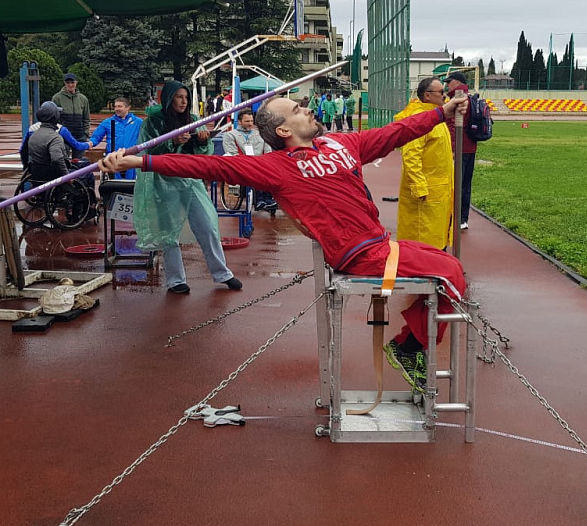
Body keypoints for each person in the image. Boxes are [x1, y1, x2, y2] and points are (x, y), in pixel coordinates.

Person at [99, 92, 469, 393]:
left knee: (448, 264)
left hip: (381, 244)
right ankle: (409, 348)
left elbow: (396, 132)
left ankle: (409, 343)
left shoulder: (342, 144)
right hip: (358, 255)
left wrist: (442, 113)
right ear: (283, 130)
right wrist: (138, 160)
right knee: (451, 271)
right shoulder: (276, 166)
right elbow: (209, 167)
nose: (307, 110)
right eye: (296, 110)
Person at [134, 80, 241, 295]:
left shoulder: (192, 120)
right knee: (168, 233)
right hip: (164, 184)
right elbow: (148, 153)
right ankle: (175, 280)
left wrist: (201, 141)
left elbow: (205, 153)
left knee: (207, 224)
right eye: (179, 97)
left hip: (190, 181)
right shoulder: (153, 122)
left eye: (186, 98)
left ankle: (222, 273)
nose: (183, 102)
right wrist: (173, 142)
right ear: (169, 98)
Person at [394, 77, 454, 250]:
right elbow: (411, 155)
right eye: (441, 92)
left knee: (435, 235)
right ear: (427, 95)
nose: (445, 95)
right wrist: (419, 186)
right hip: (426, 192)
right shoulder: (420, 118)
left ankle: (436, 265)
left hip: (438, 189)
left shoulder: (437, 116)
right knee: (422, 237)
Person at [221, 108, 277, 212]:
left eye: (252, 121)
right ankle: (259, 200)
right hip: (242, 164)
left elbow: (268, 150)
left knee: (270, 171)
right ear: (239, 122)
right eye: (247, 121)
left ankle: (268, 199)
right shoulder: (230, 135)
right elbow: (232, 153)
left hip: (260, 163)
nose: (250, 124)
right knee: (256, 172)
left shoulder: (260, 134)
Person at [444, 73, 477, 230]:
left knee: (455, 183)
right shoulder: (470, 97)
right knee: (465, 184)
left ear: (457, 83)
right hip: (471, 146)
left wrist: (451, 148)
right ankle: (463, 218)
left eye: (449, 82)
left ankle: (455, 217)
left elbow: (453, 127)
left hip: (459, 148)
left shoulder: (457, 99)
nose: (447, 85)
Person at [89, 97, 143, 180]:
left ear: (128, 108)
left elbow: (148, 136)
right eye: (115, 106)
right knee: (115, 182)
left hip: (131, 158)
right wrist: (91, 143)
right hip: (113, 158)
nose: (117, 109)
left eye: (120, 106)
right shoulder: (108, 122)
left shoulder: (138, 122)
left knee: (131, 183)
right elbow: (96, 136)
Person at [51, 72, 91, 147]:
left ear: (76, 82)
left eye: (72, 82)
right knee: (63, 158)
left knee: (78, 159)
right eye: (67, 82)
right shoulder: (57, 98)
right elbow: (53, 119)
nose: (70, 85)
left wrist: (85, 134)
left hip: (80, 137)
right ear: (64, 83)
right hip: (63, 137)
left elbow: (86, 118)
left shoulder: (83, 99)